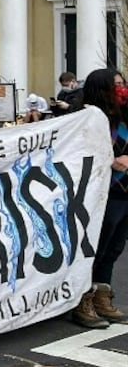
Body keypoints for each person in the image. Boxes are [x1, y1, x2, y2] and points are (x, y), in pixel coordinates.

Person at [71, 68, 128, 328]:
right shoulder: (86, 118)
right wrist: (108, 161)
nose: (121, 89)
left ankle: (102, 295)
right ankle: (83, 299)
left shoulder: (124, 118)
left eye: (122, 83)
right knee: (95, 247)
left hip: (124, 193)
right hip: (100, 195)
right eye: (115, 85)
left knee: (114, 249)